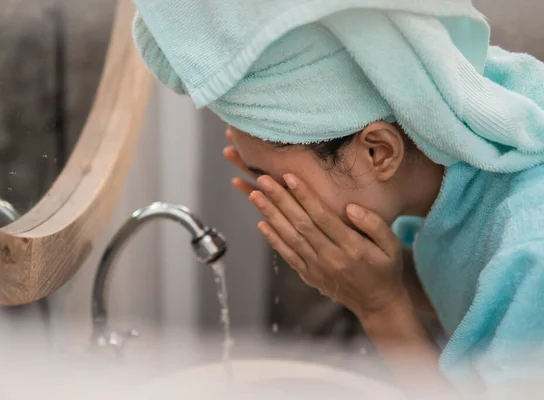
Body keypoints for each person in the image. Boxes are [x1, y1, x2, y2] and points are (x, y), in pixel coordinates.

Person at [133, 0, 544, 396]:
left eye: (270, 178)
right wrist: (375, 276)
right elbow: (472, 300)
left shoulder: (531, 257)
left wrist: (381, 307)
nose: (270, 200)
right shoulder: (440, 153)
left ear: (378, 152)